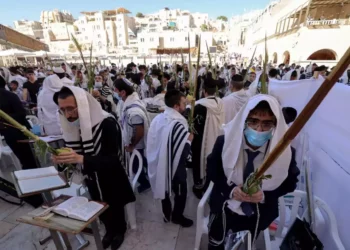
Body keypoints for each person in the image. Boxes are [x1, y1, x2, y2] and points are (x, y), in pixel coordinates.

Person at [207, 95, 300, 250]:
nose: (258, 129)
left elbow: (290, 183)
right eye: (253, 121)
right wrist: (230, 190)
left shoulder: (284, 154)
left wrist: (264, 195)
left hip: (258, 213)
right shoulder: (225, 143)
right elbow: (212, 171)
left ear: (275, 125)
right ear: (244, 121)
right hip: (224, 207)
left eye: (266, 124)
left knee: (245, 245)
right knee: (216, 243)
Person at [52, 86, 135, 250]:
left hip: (111, 176)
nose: (68, 115)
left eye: (71, 108)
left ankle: (120, 231)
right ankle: (109, 231)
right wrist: (61, 159)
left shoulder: (107, 123)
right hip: (91, 176)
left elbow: (112, 159)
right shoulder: (74, 124)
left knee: (115, 205)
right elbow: (73, 153)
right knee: (99, 205)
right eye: (62, 110)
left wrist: (81, 158)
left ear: (82, 105)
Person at [147, 89, 193, 227]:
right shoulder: (178, 123)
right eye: (184, 103)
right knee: (181, 191)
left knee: (163, 187)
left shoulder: (158, 118)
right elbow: (181, 152)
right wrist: (189, 140)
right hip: (175, 166)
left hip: (159, 163)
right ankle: (177, 216)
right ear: (176, 106)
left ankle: (166, 214)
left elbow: (153, 142)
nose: (186, 106)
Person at [0, 75, 43, 207]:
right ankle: (36, 194)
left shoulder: (8, 96)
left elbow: (20, 114)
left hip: (14, 133)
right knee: (29, 161)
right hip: (18, 133)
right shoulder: (10, 95)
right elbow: (21, 113)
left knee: (27, 161)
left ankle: (36, 192)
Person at [114, 78, 151, 193]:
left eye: (115, 90)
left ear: (123, 92)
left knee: (135, 165)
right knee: (141, 160)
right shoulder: (131, 102)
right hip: (135, 142)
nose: (114, 92)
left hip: (137, 144)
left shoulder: (133, 110)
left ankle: (145, 183)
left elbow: (139, 131)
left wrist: (132, 145)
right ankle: (149, 169)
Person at [191, 77, 225, 199]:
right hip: (218, 136)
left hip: (201, 140)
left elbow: (194, 125)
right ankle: (211, 185)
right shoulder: (221, 102)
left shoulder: (199, 105)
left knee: (199, 162)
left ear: (204, 91)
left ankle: (199, 186)